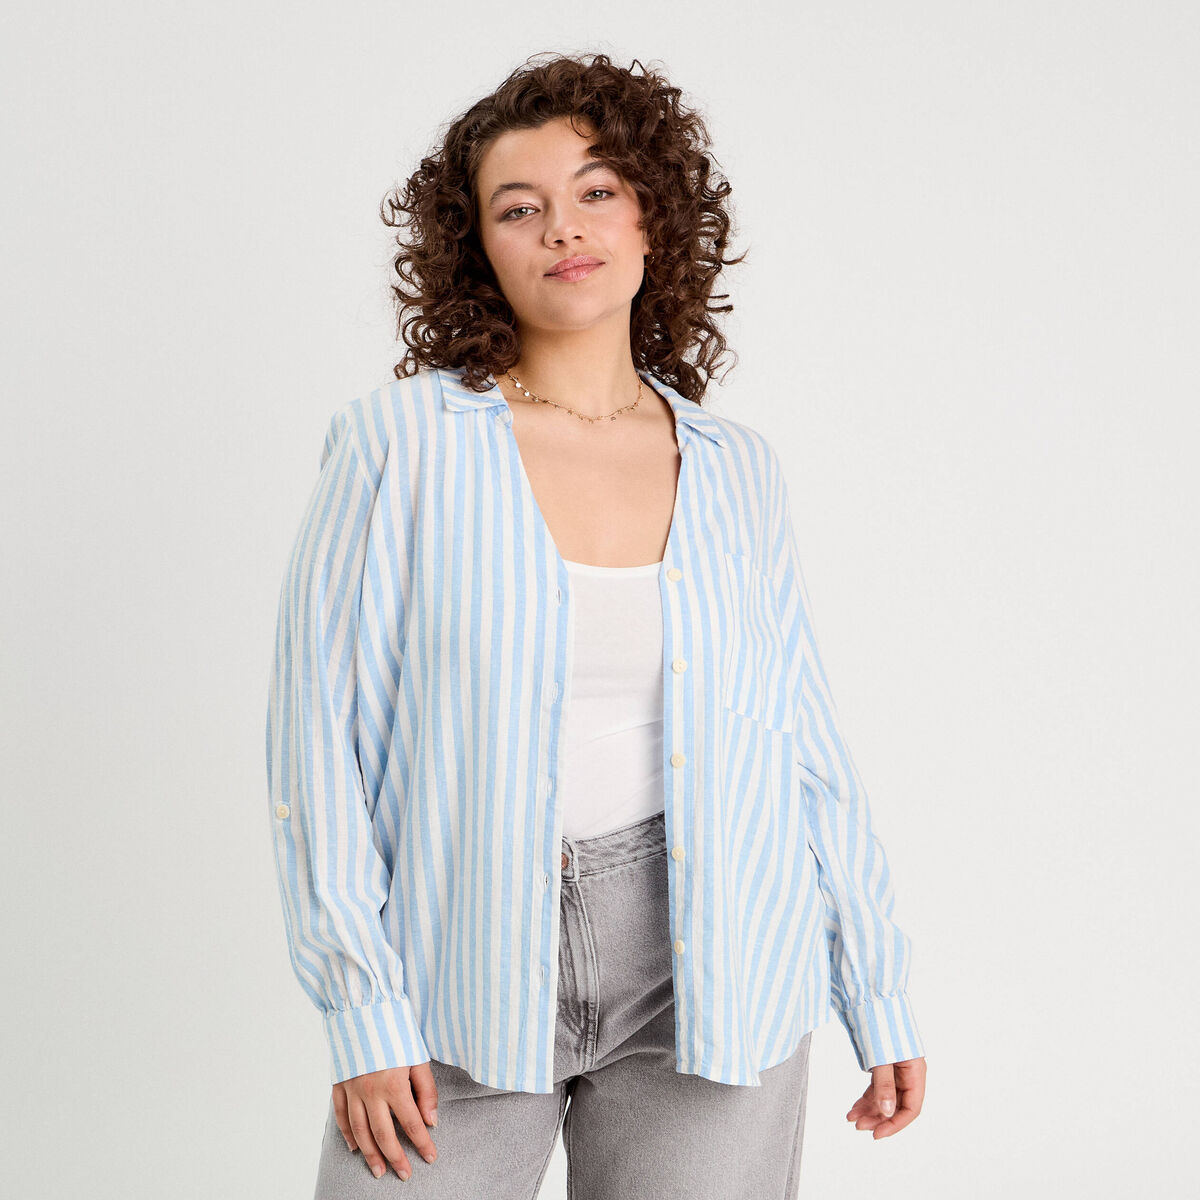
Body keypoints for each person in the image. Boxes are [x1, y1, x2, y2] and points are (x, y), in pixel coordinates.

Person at [266, 51, 927, 1199]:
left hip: (718, 969)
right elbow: (317, 742)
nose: (563, 227)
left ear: (651, 217)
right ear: (477, 249)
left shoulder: (735, 468)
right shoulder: (399, 446)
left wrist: (875, 984)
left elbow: (804, 746)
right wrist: (361, 1007)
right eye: (518, 208)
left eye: (597, 190)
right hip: (459, 961)